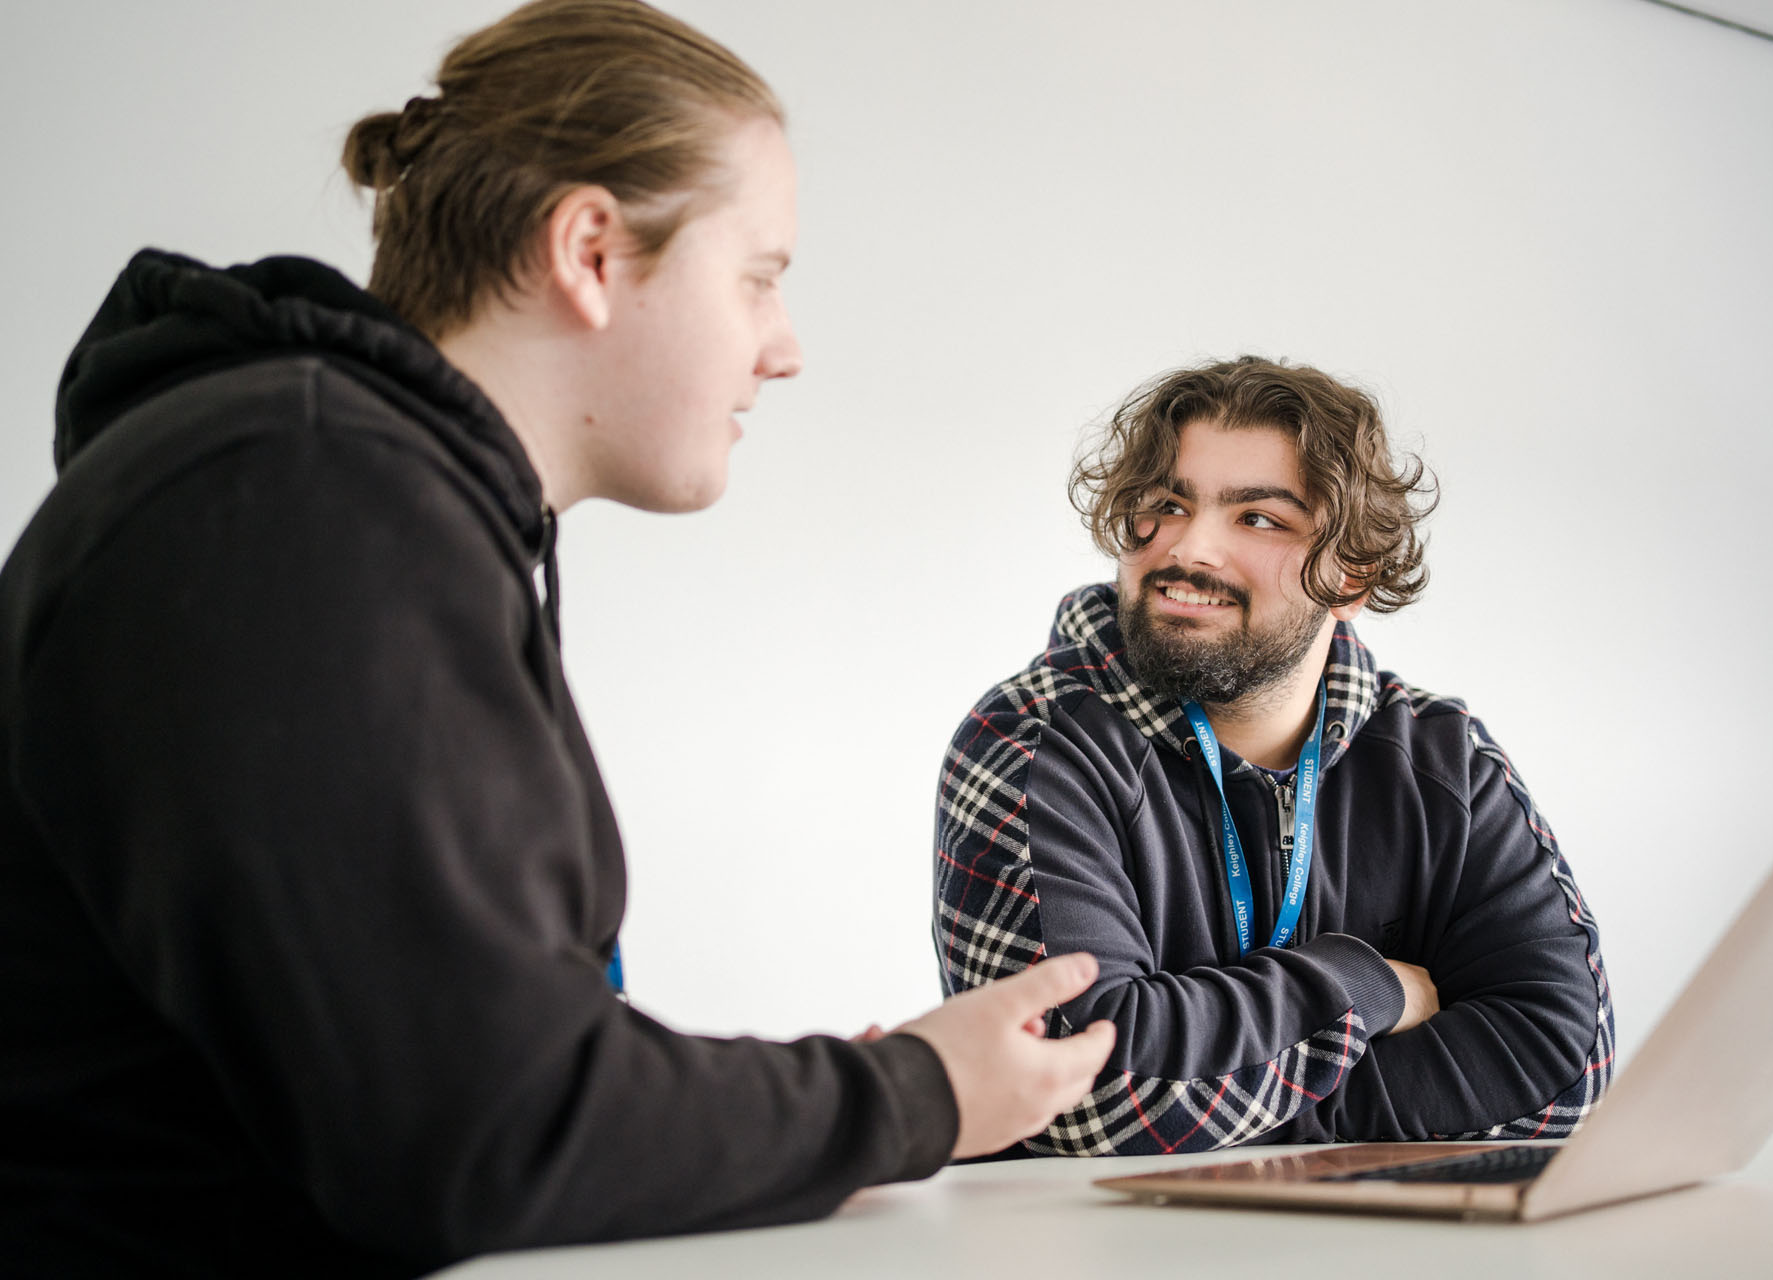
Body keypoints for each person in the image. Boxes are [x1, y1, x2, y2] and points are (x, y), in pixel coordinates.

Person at [0, 1, 1115, 1274]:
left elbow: (495, 1062)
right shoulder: (304, 498)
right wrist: (919, 1095)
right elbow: (488, 1131)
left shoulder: (357, 491)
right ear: (590, 249)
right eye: (758, 276)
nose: (784, 347)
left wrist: (831, 1106)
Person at [934, 355, 1612, 1156]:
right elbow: (1082, 1096)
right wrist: (1369, 984)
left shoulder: (1444, 761)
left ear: (1352, 573)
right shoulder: (1030, 740)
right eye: (1166, 504)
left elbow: (1559, 1067)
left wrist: (1240, 1121)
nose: (1191, 549)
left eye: (1258, 518)